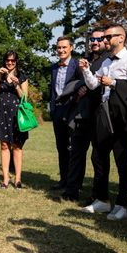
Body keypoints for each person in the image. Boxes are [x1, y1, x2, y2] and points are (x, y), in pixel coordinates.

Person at [79, 24, 127, 221]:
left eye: (108, 37)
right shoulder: (106, 61)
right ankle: (102, 199)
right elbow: (93, 85)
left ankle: (122, 204)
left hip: (122, 115)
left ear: (121, 38)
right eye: (104, 37)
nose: (104, 40)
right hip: (104, 113)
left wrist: (114, 82)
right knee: (98, 155)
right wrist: (86, 71)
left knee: (122, 158)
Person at [58, 29, 108, 201]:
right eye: (92, 39)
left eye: (99, 39)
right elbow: (74, 84)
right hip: (81, 115)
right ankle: (72, 191)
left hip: (100, 115)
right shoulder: (83, 61)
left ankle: (97, 195)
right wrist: (78, 92)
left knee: (98, 157)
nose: (95, 42)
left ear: (105, 40)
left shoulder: (109, 61)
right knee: (76, 154)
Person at [0, 50, 29, 189]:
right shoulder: (0, 76)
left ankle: (18, 179)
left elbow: (25, 97)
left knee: (17, 146)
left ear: (16, 62)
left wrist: (16, 84)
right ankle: (6, 178)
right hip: (2, 113)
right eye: (8, 60)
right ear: (4, 61)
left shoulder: (22, 76)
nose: (10, 63)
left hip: (16, 114)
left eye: (13, 61)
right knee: (4, 145)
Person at [49, 36, 78, 192]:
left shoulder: (77, 65)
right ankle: (63, 180)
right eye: (58, 48)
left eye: (64, 47)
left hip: (73, 110)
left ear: (71, 48)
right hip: (57, 111)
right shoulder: (53, 67)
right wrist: (52, 109)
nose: (61, 50)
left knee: (73, 148)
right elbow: (52, 90)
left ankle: (74, 183)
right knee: (61, 147)